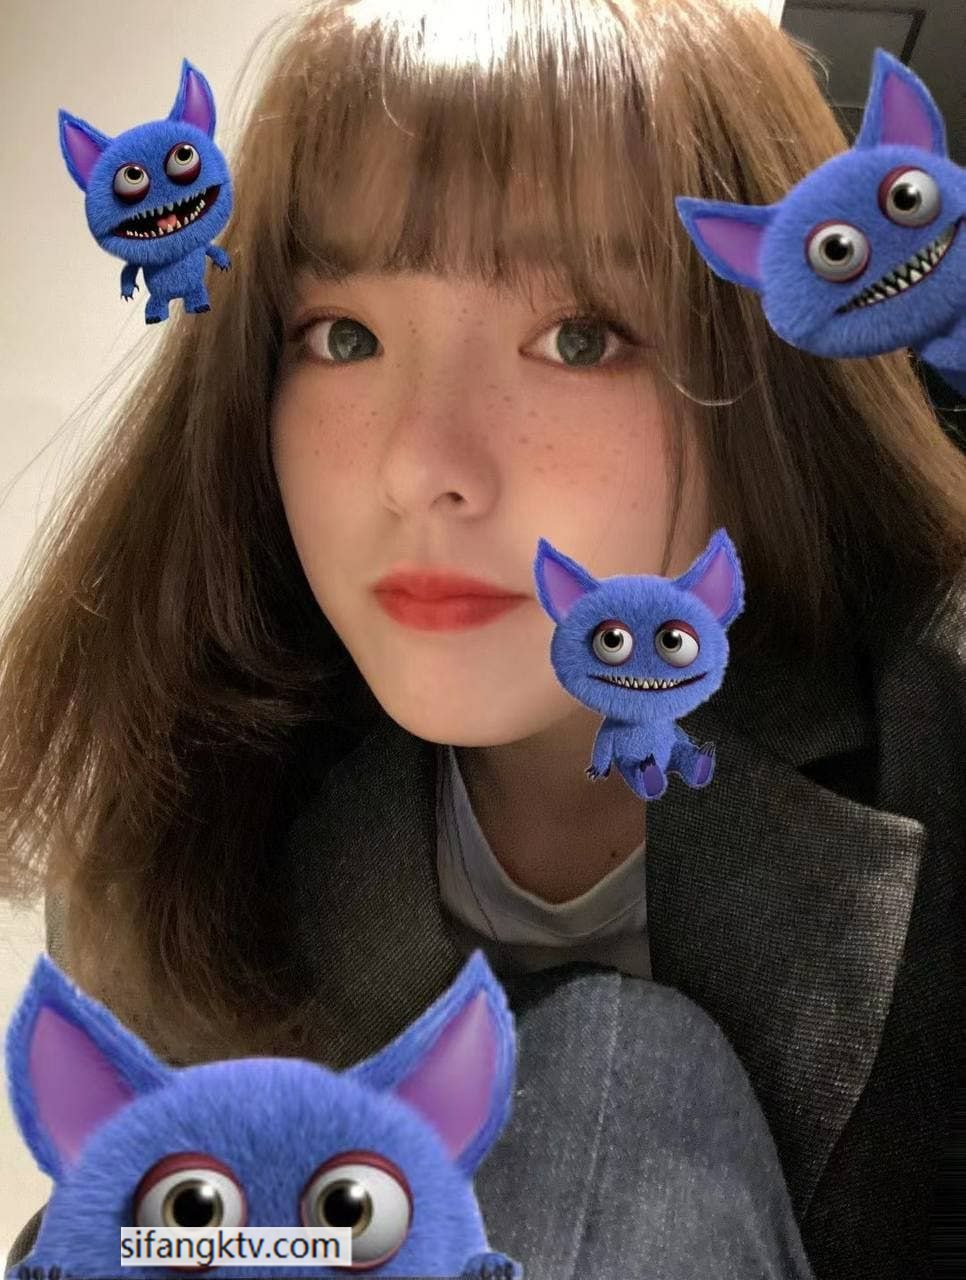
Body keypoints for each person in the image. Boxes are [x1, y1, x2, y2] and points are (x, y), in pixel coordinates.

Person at [2, 1, 964, 1277]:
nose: (422, 467)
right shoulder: (182, 785)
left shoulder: (931, 737)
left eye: (579, 338)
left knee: (624, 1075)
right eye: (344, 336)